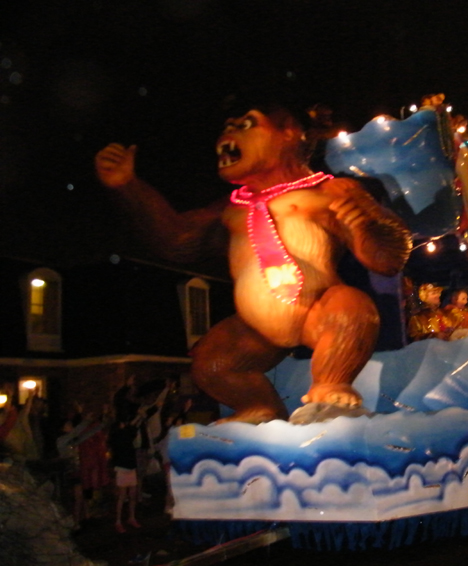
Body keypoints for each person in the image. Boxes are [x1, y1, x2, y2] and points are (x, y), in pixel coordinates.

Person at [95, 94, 412, 424]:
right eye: (226, 128)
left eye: (245, 125)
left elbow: (389, 258)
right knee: (211, 361)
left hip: (317, 313)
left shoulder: (329, 192)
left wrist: (367, 227)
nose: (226, 136)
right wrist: (129, 187)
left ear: (288, 132)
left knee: (352, 310)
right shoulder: (231, 209)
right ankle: (259, 407)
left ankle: (331, 387)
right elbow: (177, 241)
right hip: (255, 332)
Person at [108, 414, 141, 533]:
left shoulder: (124, 435)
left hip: (130, 467)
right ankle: (118, 521)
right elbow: (132, 429)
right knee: (121, 496)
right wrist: (137, 418)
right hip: (122, 468)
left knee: (132, 495)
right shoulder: (118, 436)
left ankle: (131, 517)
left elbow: (132, 430)